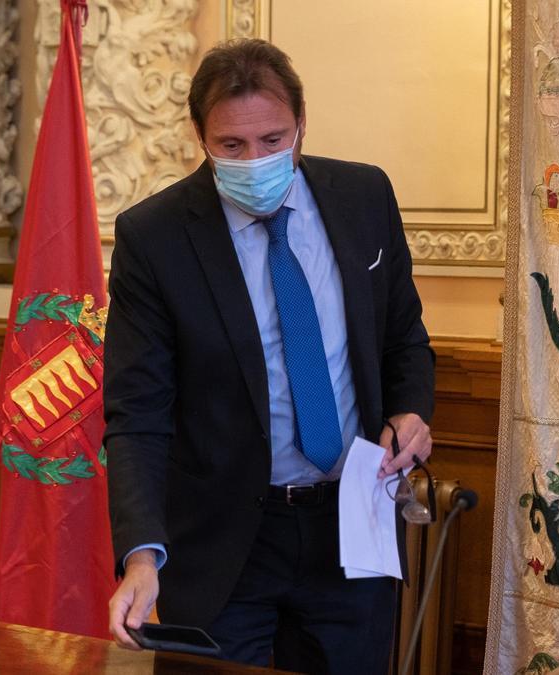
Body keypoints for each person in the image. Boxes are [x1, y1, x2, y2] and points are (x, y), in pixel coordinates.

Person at [103, 38, 436, 673]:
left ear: (302, 125)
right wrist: (143, 557)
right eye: (232, 146)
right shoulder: (155, 237)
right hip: (224, 542)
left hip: (350, 528)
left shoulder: (364, 197)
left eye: (274, 140)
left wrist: (410, 414)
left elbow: (403, 339)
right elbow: (137, 413)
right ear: (199, 136)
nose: (255, 159)